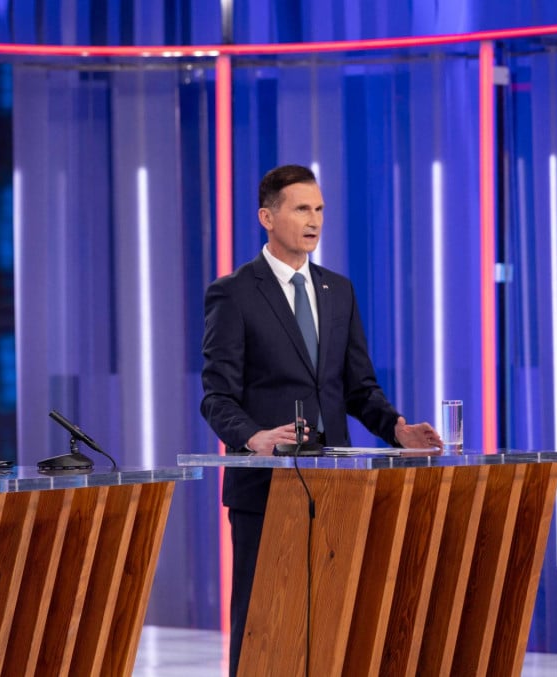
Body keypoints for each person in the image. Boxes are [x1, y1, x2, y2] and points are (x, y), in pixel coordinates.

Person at [199, 164, 442, 677]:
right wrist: (254, 439)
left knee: (335, 617)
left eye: (320, 210)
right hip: (266, 489)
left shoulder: (338, 290)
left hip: (337, 485)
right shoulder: (235, 292)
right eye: (301, 208)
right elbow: (216, 397)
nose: (314, 220)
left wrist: (396, 428)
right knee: (264, 619)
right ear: (268, 216)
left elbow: (358, 388)